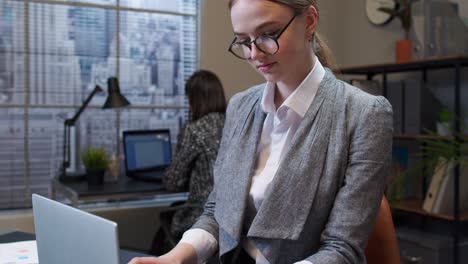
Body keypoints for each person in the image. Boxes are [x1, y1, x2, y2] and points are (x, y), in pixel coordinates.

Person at [130, 0, 393, 263]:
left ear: (309, 21)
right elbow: (217, 211)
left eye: (268, 34)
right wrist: (173, 258)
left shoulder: (363, 115)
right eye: (244, 40)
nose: (254, 53)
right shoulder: (240, 106)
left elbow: (342, 249)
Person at [155, 70, 226, 251]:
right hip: (232, 217)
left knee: (162, 230)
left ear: (195, 100)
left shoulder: (195, 130)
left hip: (204, 215)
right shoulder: (235, 123)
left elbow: (172, 182)